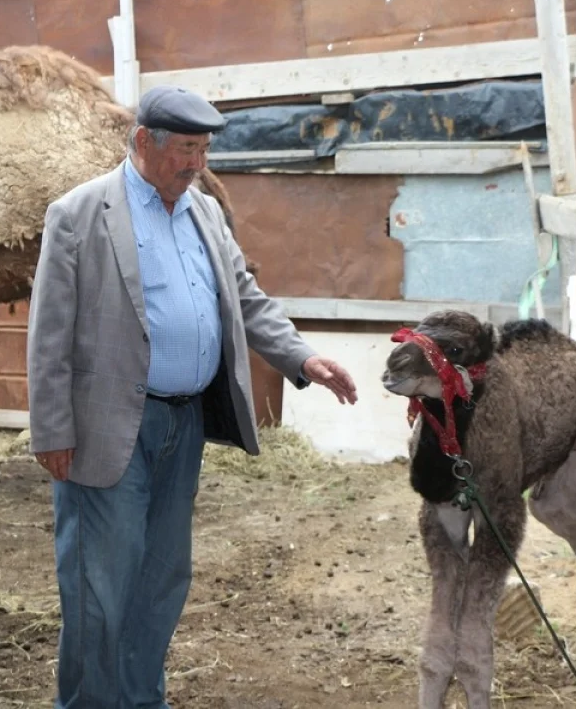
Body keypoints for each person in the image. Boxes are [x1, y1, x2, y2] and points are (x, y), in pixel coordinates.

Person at [25, 84, 359, 709]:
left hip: (183, 429)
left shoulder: (203, 210)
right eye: (185, 149)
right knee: (99, 587)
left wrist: (301, 357)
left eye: (203, 150)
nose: (197, 163)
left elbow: (245, 296)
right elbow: (48, 333)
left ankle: (142, 700)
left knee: (162, 581)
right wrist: (51, 431)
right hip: (108, 427)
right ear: (143, 141)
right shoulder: (79, 213)